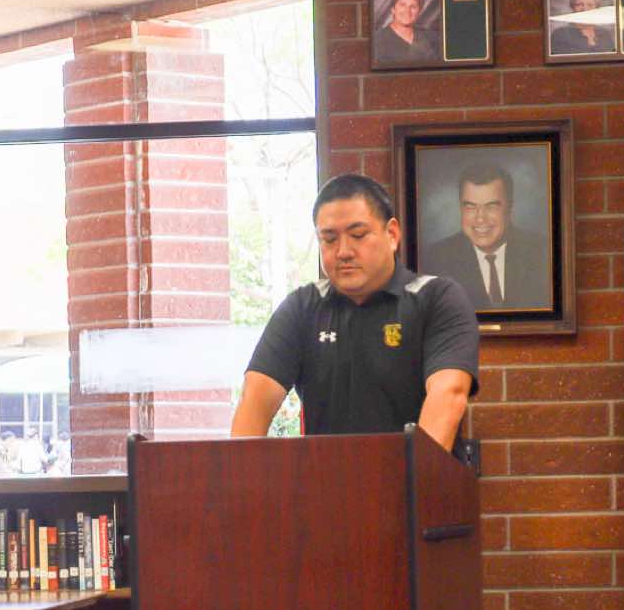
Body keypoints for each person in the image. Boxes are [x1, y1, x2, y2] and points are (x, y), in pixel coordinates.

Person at [230, 174, 477, 451]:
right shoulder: (302, 308)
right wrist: (239, 474)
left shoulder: (438, 299)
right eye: (329, 239)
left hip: (417, 475)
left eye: (358, 235)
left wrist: (415, 475)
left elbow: (449, 395)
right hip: (326, 476)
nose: (343, 252)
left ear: (392, 235)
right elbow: (255, 400)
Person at [420, 162, 553, 313]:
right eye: (470, 207)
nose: (480, 218)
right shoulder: (437, 259)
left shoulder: (543, 252)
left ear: (510, 208)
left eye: (491, 206)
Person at [373, 0, 439, 67]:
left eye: (413, 7)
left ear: (419, 11)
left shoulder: (431, 37)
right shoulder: (378, 41)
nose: (407, 11)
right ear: (393, 9)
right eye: (402, 5)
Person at [549, 0, 614, 57]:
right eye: (579, 4)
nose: (585, 9)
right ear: (572, 7)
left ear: (596, 8)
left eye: (590, 5)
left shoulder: (605, 35)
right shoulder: (560, 35)